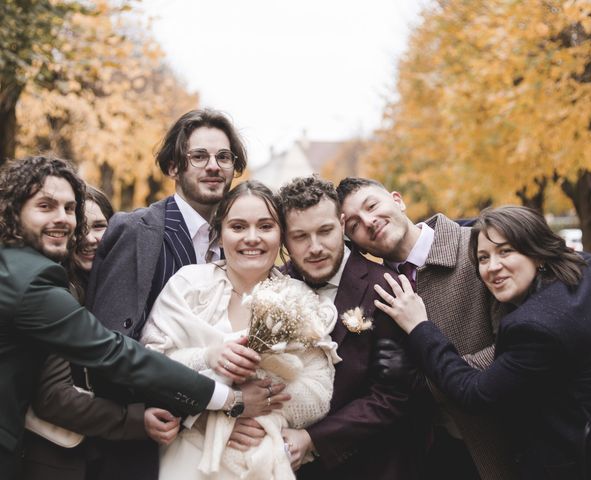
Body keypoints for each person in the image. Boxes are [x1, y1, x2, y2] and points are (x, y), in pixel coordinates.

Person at [0, 156, 259, 479]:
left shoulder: (15, 267)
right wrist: (224, 397)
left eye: (69, 209)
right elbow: (115, 353)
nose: (63, 219)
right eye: (45, 206)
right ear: (13, 210)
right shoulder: (32, 279)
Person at [375, 205, 591, 479]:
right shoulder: (571, 277)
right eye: (483, 258)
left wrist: (420, 327)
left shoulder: (533, 323)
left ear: (536, 252)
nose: (493, 266)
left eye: (506, 252)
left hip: (589, 460)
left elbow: (474, 393)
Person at [84, 108, 247, 479]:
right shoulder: (135, 231)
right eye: (199, 156)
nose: (213, 166)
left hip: (218, 447)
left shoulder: (235, 241)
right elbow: (111, 347)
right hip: (144, 443)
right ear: (174, 166)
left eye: (224, 157)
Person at [141, 180, 339, 480]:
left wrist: (266, 410)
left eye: (265, 226)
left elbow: (319, 390)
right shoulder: (188, 286)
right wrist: (213, 378)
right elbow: (150, 366)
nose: (252, 238)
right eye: (238, 226)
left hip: (265, 458)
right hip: (189, 460)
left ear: (280, 235)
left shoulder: (300, 299)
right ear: (220, 233)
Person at [337, 176, 514, 479]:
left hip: (506, 444)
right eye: (353, 225)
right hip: (427, 456)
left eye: (372, 205)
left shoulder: (478, 249)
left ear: (398, 199)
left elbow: (516, 352)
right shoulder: (372, 292)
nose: (368, 221)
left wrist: (424, 385)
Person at [264, 176, 427, 479]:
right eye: (300, 236)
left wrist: (313, 439)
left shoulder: (385, 287)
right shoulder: (271, 290)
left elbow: (391, 395)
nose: (315, 248)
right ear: (284, 239)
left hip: (369, 465)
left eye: (325, 231)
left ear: (341, 224)